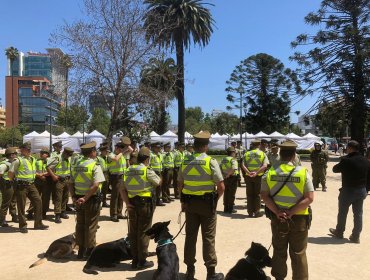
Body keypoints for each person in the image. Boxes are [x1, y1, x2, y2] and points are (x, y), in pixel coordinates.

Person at [261, 140, 314, 280]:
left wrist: (278, 211)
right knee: (299, 252)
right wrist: (291, 212)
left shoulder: (270, 173)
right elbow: (309, 198)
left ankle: (279, 277)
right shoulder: (303, 173)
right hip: (299, 218)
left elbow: (264, 197)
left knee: (279, 250)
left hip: (278, 218)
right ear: (294, 155)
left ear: (280, 154)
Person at [178, 131, 225, 280]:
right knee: (208, 238)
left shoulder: (185, 161)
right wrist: (214, 200)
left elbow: (180, 183)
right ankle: (211, 273)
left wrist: (184, 201)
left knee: (190, 238)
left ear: (194, 145)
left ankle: (190, 271)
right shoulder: (210, 161)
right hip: (207, 205)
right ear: (205, 146)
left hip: (190, 204)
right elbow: (221, 186)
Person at [120, 147, 160, 270]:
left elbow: (121, 188)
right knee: (143, 232)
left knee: (133, 232)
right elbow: (158, 182)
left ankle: (134, 259)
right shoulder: (146, 170)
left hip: (132, 203)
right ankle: (142, 261)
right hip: (144, 204)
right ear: (147, 158)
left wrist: (127, 203)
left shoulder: (128, 170)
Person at [329, 140, 370, 243]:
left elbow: (335, 169)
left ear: (350, 148)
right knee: (358, 214)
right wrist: (366, 189)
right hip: (361, 190)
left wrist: (343, 160)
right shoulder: (365, 161)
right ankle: (356, 236)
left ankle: (339, 232)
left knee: (343, 212)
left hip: (348, 190)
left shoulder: (346, 160)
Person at [70, 141, 105, 259]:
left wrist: (74, 197)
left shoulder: (77, 165)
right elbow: (96, 185)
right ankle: (89, 251)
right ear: (92, 152)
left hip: (78, 199)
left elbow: (70, 182)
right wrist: (85, 198)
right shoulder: (94, 165)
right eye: (95, 151)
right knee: (91, 225)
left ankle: (80, 251)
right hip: (90, 199)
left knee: (80, 225)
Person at [8, 142, 49, 233]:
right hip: (21, 186)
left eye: (30, 149)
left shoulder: (33, 159)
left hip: (31, 184)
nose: (29, 151)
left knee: (38, 201)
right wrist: (12, 181)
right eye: (27, 149)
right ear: (22, 150)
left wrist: (39, 175)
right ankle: (23, 225)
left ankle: (38, 223)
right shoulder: (18, 160)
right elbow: (10, 173)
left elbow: (32, 171)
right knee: (21, 206)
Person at [241, 139, 269, 217]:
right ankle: (256, 211)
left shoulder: (246, 154)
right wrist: (256, 173)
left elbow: (243, 165)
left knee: (249, 194)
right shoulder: (262, 154)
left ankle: (250, 212)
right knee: (257, 194)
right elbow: (265, 166)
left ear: (252, 145)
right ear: (259, 145)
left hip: (248, 176)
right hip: (258, 177)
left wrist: (249, 172)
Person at [47, 147, 74, 223]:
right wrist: (53, 176)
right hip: (59, 180)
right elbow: (48, 167)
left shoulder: (68, 158)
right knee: (58, 197)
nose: (68, 157)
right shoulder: (58, 158)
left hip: (67, 179)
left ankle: (63, 211)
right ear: (64, 153)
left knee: (65, 197)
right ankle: (57, 214)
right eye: (68, 155)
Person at [28, 147, 50, 219]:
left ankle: (43, 212)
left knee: (46, 198)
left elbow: (52, 170)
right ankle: (30, 212)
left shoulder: (49, 162)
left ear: (47, 154)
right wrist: (39, 175)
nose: (42, 154)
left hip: (46, 181)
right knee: (35, 197)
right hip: (37, 180)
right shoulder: (36, 161)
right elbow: (32, 170)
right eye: (41, 153)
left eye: (44, 153)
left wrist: (44, 175)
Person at [107, 142, 126, 222]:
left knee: (121, 196)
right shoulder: (111, 155)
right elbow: (116, 159)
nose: (121, 150)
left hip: (122, 177)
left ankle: (119, 213)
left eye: (122, 149)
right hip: (115, 177)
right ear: (116, 148)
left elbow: (131, 151)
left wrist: (127, 146)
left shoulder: (121, 155)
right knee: (115, 196)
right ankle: (113, 214)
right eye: (120, 148)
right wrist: (122, 152)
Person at [0, 147, 18, 227]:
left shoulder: (13, 163)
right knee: (6, 202)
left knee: (13, 201)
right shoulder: (5, 164)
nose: (16, 155)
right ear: (11, 155)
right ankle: (2, 219)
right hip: (7, 184)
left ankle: (14, 216)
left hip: (13, 183)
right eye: (15, 154)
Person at [220, 147, 239, 214]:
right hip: (232, 177)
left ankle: (226, 208)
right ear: (232, 152)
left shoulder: (223, 159)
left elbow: (220, 168)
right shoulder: (233, 159)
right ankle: (230, 209)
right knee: (231, 194)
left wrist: (224, 175)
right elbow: (234, 168)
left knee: (226, 193)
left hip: (225, 178)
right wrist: (228, 175)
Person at [150, 142, 164, 206]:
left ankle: (158, 200)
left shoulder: (160, 154)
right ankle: (153, 201)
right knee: (154, 188)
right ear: (153, 148)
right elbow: (148, 164)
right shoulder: (151, 155)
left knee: (159, 187)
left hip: (159, 172)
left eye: (159, 148)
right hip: (154, 172)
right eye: (157, 148)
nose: (158, 149)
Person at [96, 143, 110, 208]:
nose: (107, 152)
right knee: (99, 190)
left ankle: (104, 202)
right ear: (102, 151)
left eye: (107, 151)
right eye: (105, 151)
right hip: (100, 174)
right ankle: (99, 203)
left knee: (105, 189)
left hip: (106, 174)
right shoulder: (98, 158)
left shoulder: (107, 157)